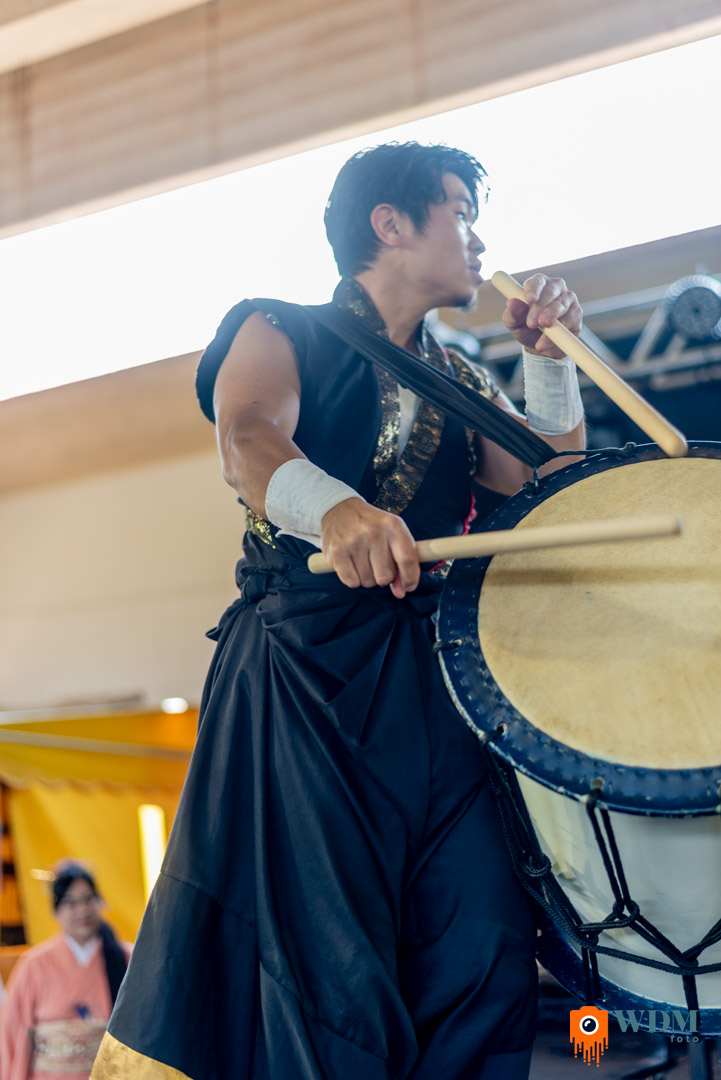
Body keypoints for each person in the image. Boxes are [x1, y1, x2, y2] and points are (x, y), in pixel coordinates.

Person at [92, 141, 586, 1080]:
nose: (479, 241)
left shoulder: (459, 379)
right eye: (460, 213)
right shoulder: (278, 327)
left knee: (479, 940)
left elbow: (552, 492)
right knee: (331, 966)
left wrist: (550, 360)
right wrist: (336, 509)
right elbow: (247, 438)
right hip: (307, 679)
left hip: (441, 685)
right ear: (388, 224)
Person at [0, 863, 130, 1080]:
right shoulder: (33, 965)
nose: (82, 910)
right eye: (71, 902)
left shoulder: (127, 959)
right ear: (56, 910)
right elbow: (13, 1034)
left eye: (88, 899)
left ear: (100, 902)